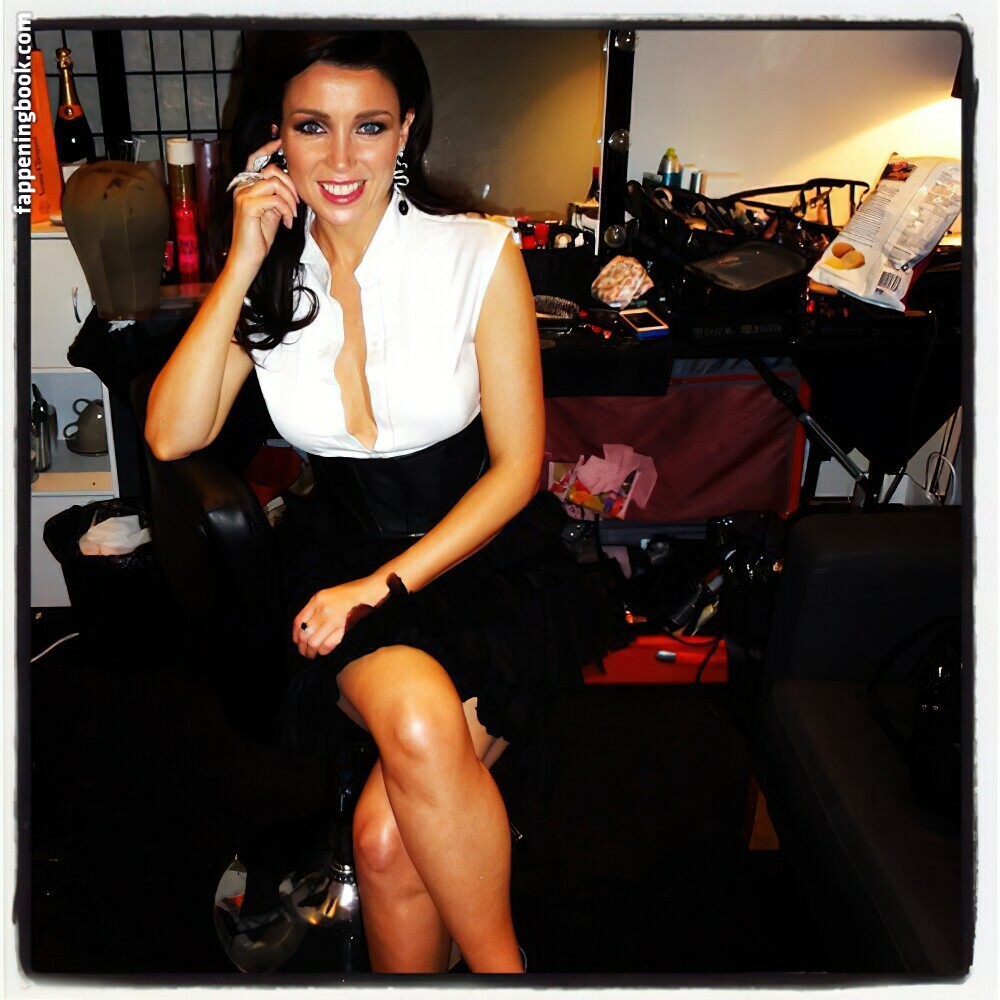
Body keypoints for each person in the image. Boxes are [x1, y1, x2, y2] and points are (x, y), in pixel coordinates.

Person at [146, 30, 607, 974]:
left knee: (388, 846)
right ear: (276, 139)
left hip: (485, 558)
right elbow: (169, 435)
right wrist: (242, 260)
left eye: (369, 126)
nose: (342, 158)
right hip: (341, 555)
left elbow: (517, 467)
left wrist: (381, 588)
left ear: (406, 132)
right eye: (313, 127)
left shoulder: (477, 253)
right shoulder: (273, 278)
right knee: (420, 725)